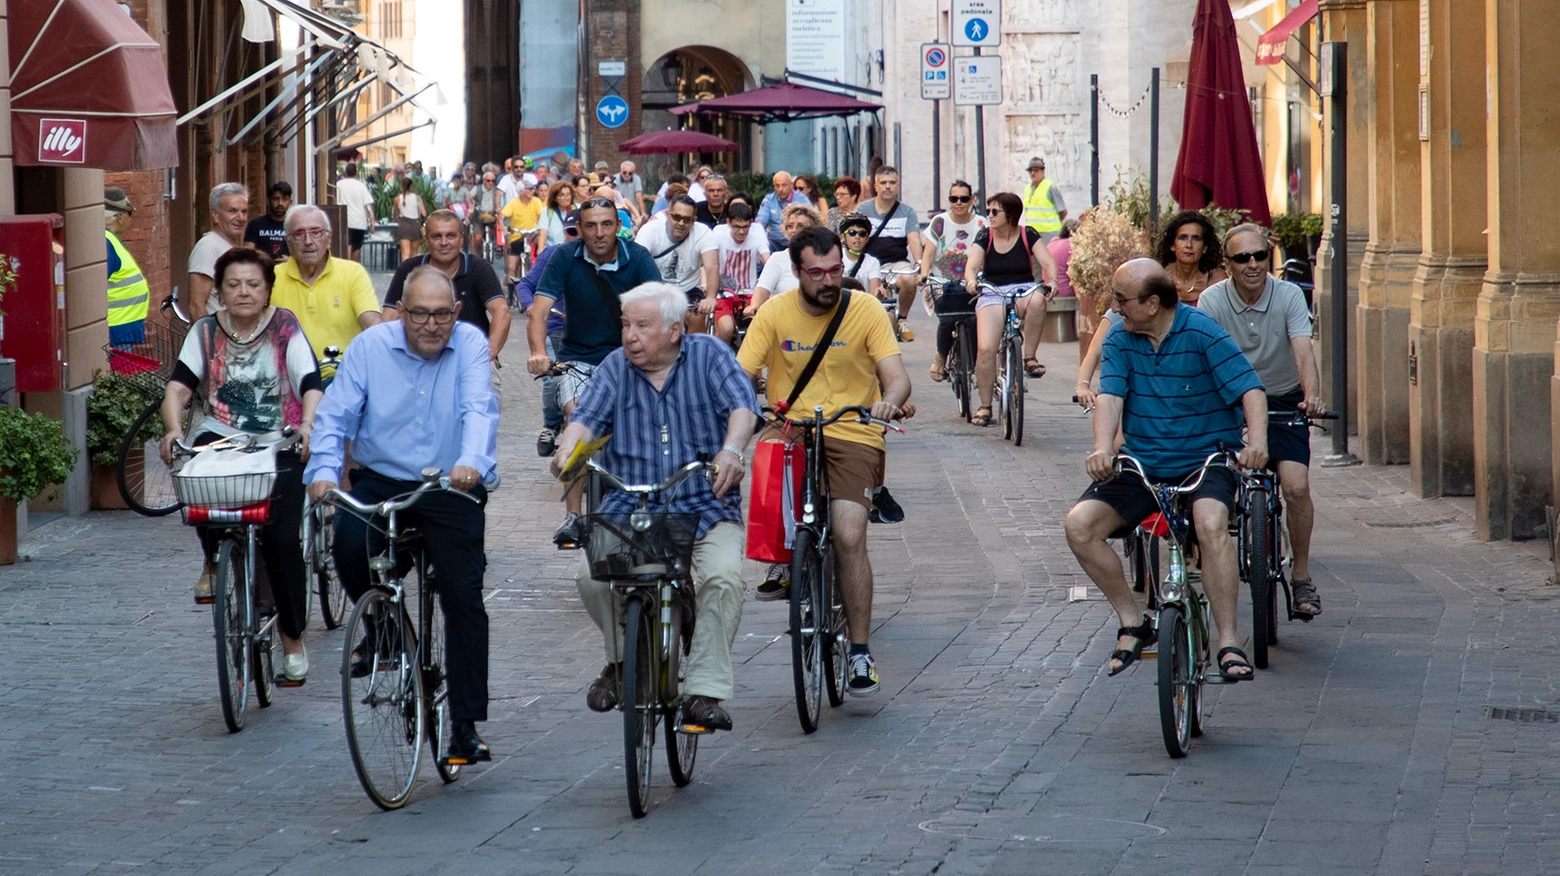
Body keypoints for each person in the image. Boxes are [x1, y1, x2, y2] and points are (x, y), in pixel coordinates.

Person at [306, 266, 500, 763]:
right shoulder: (370, 348)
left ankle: (464, 723)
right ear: (401, 312)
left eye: (442, 315)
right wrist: (325, 472)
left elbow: (479, 409)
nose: (432, 325)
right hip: (383, 477)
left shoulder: (471, 344)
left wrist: (471, 464)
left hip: (451, 480)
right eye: (419, 314)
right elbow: (335, 415)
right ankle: (387, 635)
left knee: (462, 595)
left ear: (456, 313)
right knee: (348, 542)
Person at [553, 282, 758, 730]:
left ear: (673, 330)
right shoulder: (613, 368)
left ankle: (704, 690)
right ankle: (622, 662)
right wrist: (567, 453)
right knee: (590, 576)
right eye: (626, 324)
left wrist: (731, 451)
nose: (629, 335)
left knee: (722, 578)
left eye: (642, 326)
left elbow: (742, 408)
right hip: (630, 503)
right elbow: (584, 422)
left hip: (706, 500)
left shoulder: (708, 355)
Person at [1062, 259, 1266, 682]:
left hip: (1205, 459)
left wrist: (1258, 444)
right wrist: (1103, 448)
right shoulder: (1120, 335)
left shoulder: (1201, 331)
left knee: (1211, 524)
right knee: (1079, 526)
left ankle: (1228, 641)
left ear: (1153, 303)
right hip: (1144, 463)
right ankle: (1133, 622)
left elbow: (1250, 388)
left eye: (1122, 299)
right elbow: (1111, 396)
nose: (1116, 309)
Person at [737, 226, 912, 696]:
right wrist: (740, 404)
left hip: (853, 428)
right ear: (796, 272)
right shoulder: (773, 313)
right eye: (817, 273)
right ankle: (783, 563)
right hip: (791, 424)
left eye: (836, 270)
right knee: (763, 463)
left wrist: (888, 402)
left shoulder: (866, 309)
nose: (829, 280)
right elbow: (740, 375)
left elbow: (896, 377)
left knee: (849, 532)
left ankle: (858, 651)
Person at [159, 247, 322, 680]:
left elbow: (309, 380)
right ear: (219, 291)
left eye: (253, 284)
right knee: (198, 479)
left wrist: (307, 424)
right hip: (223, 434)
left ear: (268, 289)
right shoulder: (205, 331)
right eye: (233, 284)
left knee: (283, 542)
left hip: (279, 440)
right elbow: (178, 387)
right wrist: (174, 428)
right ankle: (215, 559)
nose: (244, 292)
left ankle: (292, 639)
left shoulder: (284, 325)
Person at [1195, 223, 1324, 620]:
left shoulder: (1287, 294)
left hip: (1284, 400)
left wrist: (1312, 395)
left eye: (1260, 256)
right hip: (1231, 402)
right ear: (1227, 264)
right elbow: (1206, 358)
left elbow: (1303, 349)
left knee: (1296, 487)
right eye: (1241, 258)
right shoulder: (1211, 301)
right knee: (1215, 489)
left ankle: (1300, 577)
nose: (1253, 264)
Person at [525, 198, 662, 547]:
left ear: (618, 226)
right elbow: (539, 313)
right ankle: (573, 516)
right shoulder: (564, 258)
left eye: (606, 224)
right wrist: (540, 352)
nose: (599, 233)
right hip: (578, 359)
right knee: (577, 419)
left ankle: (648, 502)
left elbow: (660, 308)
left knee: (645, 424)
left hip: (631, 359)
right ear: (579, 229)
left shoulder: (639, 258)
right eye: (590, 226)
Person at [962, 192, 1059, 427]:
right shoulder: (985, 235)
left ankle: (1029, 357)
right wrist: (971, 282)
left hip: (1023, 290)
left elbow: (1047, 263)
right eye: (988, 211)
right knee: (986, 349)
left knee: (1038, 299)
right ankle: (985, 406)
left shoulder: (1028, 234)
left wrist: (1053, 281)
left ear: (1011, 215)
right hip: (992, 291)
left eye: (995, 212)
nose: (990, 216)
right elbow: (972, 266)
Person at [381, 210, 510, 375]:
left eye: (450, 236)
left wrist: (488, 353)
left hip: (470, 357)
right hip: (418, 356)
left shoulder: (478, 268)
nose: (444, 242)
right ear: (426, 240)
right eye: (436, 236)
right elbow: (388, 318)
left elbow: (502, 311)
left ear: (461, 238)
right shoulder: (409, 269)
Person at [270, 205, 381, 361]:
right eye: (299, 234)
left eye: (316, 232)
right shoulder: (271, 278)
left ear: (328, 238)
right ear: (288, 242)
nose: (308, 241)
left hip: (341, 375)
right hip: (287, 377)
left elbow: (372, 324)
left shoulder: (352, 273)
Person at [517, 211, 579, 457]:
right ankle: (550, 426)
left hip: (591, 334)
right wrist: (534, 309)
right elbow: (525, 285)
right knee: (553, 378)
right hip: (554, 328)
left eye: (578, 231)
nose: (574, 236)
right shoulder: (553, 254)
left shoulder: (604, 258)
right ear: (564, 232)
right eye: (570, 231)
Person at [920, 180, 988, 382]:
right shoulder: (939, 222)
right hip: (943, 280)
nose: (959, 202)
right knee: (947, 318)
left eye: (964, 198)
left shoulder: (982, 224)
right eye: (954, 198)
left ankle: (977, 362)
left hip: (974, 281)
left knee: (976, 319)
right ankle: (941, 357)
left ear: (971, 200)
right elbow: (929, 252)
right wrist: (924, 274)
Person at [858, 165, 923, 340]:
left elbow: (914, 239)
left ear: (898, 186)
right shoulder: (863, 210)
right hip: (868, 262)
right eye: (884, 182)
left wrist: (920, 264)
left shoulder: (907, 212)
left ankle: (902, 318)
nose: (888, 186)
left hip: (896, 263)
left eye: (892, 183)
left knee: (909, 280)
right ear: (876, 186)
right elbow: (854, 237)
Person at [634, 195, 717, 331]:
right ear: (667, 214)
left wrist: (711, 297)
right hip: (656, 289)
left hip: (688, 290)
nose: (681, 223)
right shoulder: (650, 230)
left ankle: (694, 351)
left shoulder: (703, 233)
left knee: (696, 317)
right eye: (676, 217)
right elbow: (637, 263)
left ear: (694, 220)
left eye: (686, 219)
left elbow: (712, 266)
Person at [695, 201, 769, 343]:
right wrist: (706, 284)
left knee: (758, 327)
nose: (741, 232)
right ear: (728, 223)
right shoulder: (718, 236)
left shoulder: (757, 238)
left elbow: (768, 262)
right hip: (724, 293)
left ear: (751, 223)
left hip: (749, 294)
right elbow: (708, 264)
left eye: (745, 227)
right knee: (726, 328)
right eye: (737, 227)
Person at [748, 203, 825, 315]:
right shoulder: (777, 259)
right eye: (790, 226)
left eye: (800, 226)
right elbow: (763, 289)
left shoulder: (823, 259)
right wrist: (754, 306)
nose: (794, 230)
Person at [187, 182, 249, 315]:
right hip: (217, 333)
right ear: (215, 215)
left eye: (244, 211)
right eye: (232, 211)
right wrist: (207, 336)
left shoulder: (232, 247)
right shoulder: (208, 247)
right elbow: (196, 305)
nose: (241, 218)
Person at [104, 187, 149, 348]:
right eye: (130, 214)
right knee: (119, 373)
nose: (130, 220)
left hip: (120, 329)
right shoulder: (106, 243)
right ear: (121, 217)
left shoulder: (110, 240)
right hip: (115, 331)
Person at [1157, 209, 1227, 305]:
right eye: (1183, 238)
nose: (1189, 245)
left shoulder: (1216, 280)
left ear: (1204, 248)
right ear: (1172, 245)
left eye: (1196, 239)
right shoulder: (1159, 277)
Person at [1049, 218, 1088, 357]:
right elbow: (1073, 273)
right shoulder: (1071, 245)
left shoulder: (1053, 242)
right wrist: (1080, 296)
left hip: (1049, 288)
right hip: (1063, 290)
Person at [755, 171, 812, 253]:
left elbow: (810, 221)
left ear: (791, 185)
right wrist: (759, 230)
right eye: (777, 186)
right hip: (774, 242)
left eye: (784, 185)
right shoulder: (768, 200)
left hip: (797, 240)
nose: (780, 189)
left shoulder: (802, 200)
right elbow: (761, 220)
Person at [836, 212, 886, 301]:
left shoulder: (872, 262)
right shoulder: (836, 257)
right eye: (852, 233)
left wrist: (878, 293)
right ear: (843, 237)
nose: (857, 237)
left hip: (863, 306)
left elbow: (873, 293)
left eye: (862, 234)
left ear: (867, 239)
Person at [501, 180, 544, 282]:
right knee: (511, 267)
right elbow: (502, 216)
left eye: (533, 189)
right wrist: (503, 227)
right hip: (516, 235)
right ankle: (511, 294)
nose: (532, 191)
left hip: (532, 234)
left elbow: (542, 216)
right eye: (529, 189)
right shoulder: (513, 203)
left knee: (542, 244)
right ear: (521, 192)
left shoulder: (536, 201)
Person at [336, 163, 376, 262]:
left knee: (348, 246)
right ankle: (355, 268)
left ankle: (347, 270)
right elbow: (368, 206)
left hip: (344, 220)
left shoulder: (339, 184)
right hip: (359, 221)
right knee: (357, 247)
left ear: (345, 172)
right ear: (356, 173)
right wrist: (372, 222)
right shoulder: (361, 186)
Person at [1021, 156, 1067, 242]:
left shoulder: (1050, 186)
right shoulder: (1027, 189)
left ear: (1043, 171)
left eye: (1036, 170)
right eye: (1030, 170)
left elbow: (1063, 211)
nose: (1033, 173)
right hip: (1032, 233)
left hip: (1050, 233)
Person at [244, 181, 293, 261]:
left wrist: (290, 261)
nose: (280, 203)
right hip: (262, 271)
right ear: (268, 201)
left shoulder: (294, 226)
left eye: (284, 199)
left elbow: (303, 254)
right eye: (276, 199)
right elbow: (247, 253)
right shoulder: (256, 224)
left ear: (290, 203)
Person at [468, 171, 505, 255]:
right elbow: (469, 197)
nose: (490, 183)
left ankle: (498, 248)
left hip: (493, 217)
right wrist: (472, 205)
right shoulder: (477, 188)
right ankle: (479, 252)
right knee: (477, 238)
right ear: (484, 180)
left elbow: (501, 201)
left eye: (493, 181)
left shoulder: (497, 190)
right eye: (488, 180)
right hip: (479, 217)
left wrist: (497, 209)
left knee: (500, 228)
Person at [394, 176, 426, 262]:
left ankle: (404, 273)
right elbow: (424, 213)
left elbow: (395, 214)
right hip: (415, 225)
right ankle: (413, 273)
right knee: (414, 254)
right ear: (411, 186)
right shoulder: (418, 198)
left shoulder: (397, 199)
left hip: (404, 225)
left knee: (405, 253)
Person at [542, 180, 576, 246]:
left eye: (568, 194)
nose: (566, 198)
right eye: (562, 195)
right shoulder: (547, 211)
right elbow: (543, 233)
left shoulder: (575, 209)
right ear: (555, 198)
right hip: (553, 250)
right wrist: (540, 251)